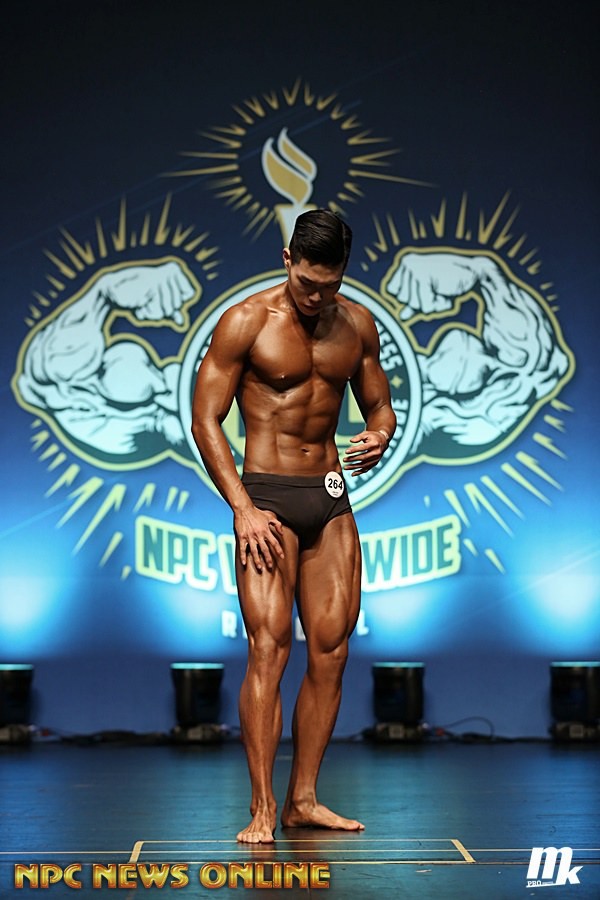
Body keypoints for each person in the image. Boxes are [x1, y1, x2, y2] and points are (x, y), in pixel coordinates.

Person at [191, 209, 397, 844]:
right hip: (268, 501)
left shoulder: (356, 325)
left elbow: (381, 406)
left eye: (330, 285)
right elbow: (205, 419)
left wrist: (380, 434)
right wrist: (242, 509)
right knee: (269, 647)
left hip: (329, 499)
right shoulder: (247, 321)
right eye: (308, 283)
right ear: (288, 260)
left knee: (332, 650)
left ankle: (303, 799)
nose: (317, 296)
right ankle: (262, 806)